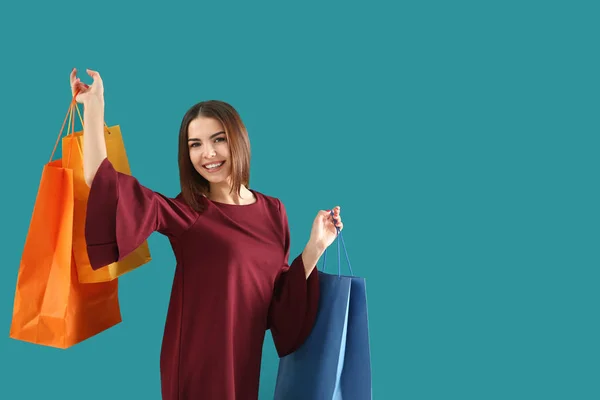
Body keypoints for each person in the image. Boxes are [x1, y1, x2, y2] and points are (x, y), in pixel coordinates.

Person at [69, 68, 344, 400]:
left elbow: (277, 303)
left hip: (243, 362)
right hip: (198, 362)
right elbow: (103, 182)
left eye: (218, 140)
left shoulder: (274, 211)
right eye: (195, 144)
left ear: (238, 140)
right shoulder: (187, 213)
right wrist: (95, 106)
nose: (207, 154)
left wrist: (315, 247)